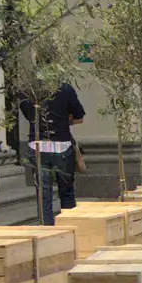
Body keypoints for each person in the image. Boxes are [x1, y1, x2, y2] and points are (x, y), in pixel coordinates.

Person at [17, 82, 84, 226]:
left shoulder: (27, 90)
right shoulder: (66, 89)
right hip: (62, 146)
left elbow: (30, 117)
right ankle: (69, 228)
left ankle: (46, 230)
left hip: (37, 147)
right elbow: (79, 117)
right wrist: (62, 122)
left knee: (43, 195)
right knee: (67, 193)